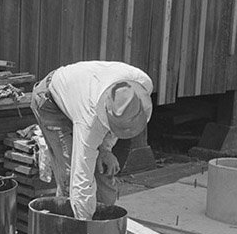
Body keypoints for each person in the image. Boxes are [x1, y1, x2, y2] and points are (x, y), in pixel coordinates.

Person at [31, 61, 153, 220]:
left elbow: (114, 124)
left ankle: (103, 227)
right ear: (106, 114)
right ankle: (65, 232)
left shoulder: (142, 84)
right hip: (51, 102)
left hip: (81, 95)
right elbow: (81, 181)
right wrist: (85, 228)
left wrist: (105, 149)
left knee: (104, 169)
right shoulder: (89, 122)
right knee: (70, 177)